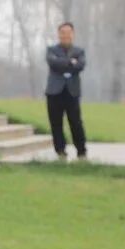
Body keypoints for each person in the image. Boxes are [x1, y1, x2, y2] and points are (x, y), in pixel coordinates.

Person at [45, 22, 87, 160]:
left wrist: (63, 62)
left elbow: (80, 65)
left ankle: (81, 152)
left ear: (73, 34)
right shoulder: (51, 50)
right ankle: (60, 151)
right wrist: (70, 62)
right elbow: (53, 63)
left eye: (68, 33)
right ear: (59, 34)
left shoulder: (79, 51)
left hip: (72, 92)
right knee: (56, 123)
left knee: (76, 122)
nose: (65, 35)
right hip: (54, 92)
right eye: (62, 33)